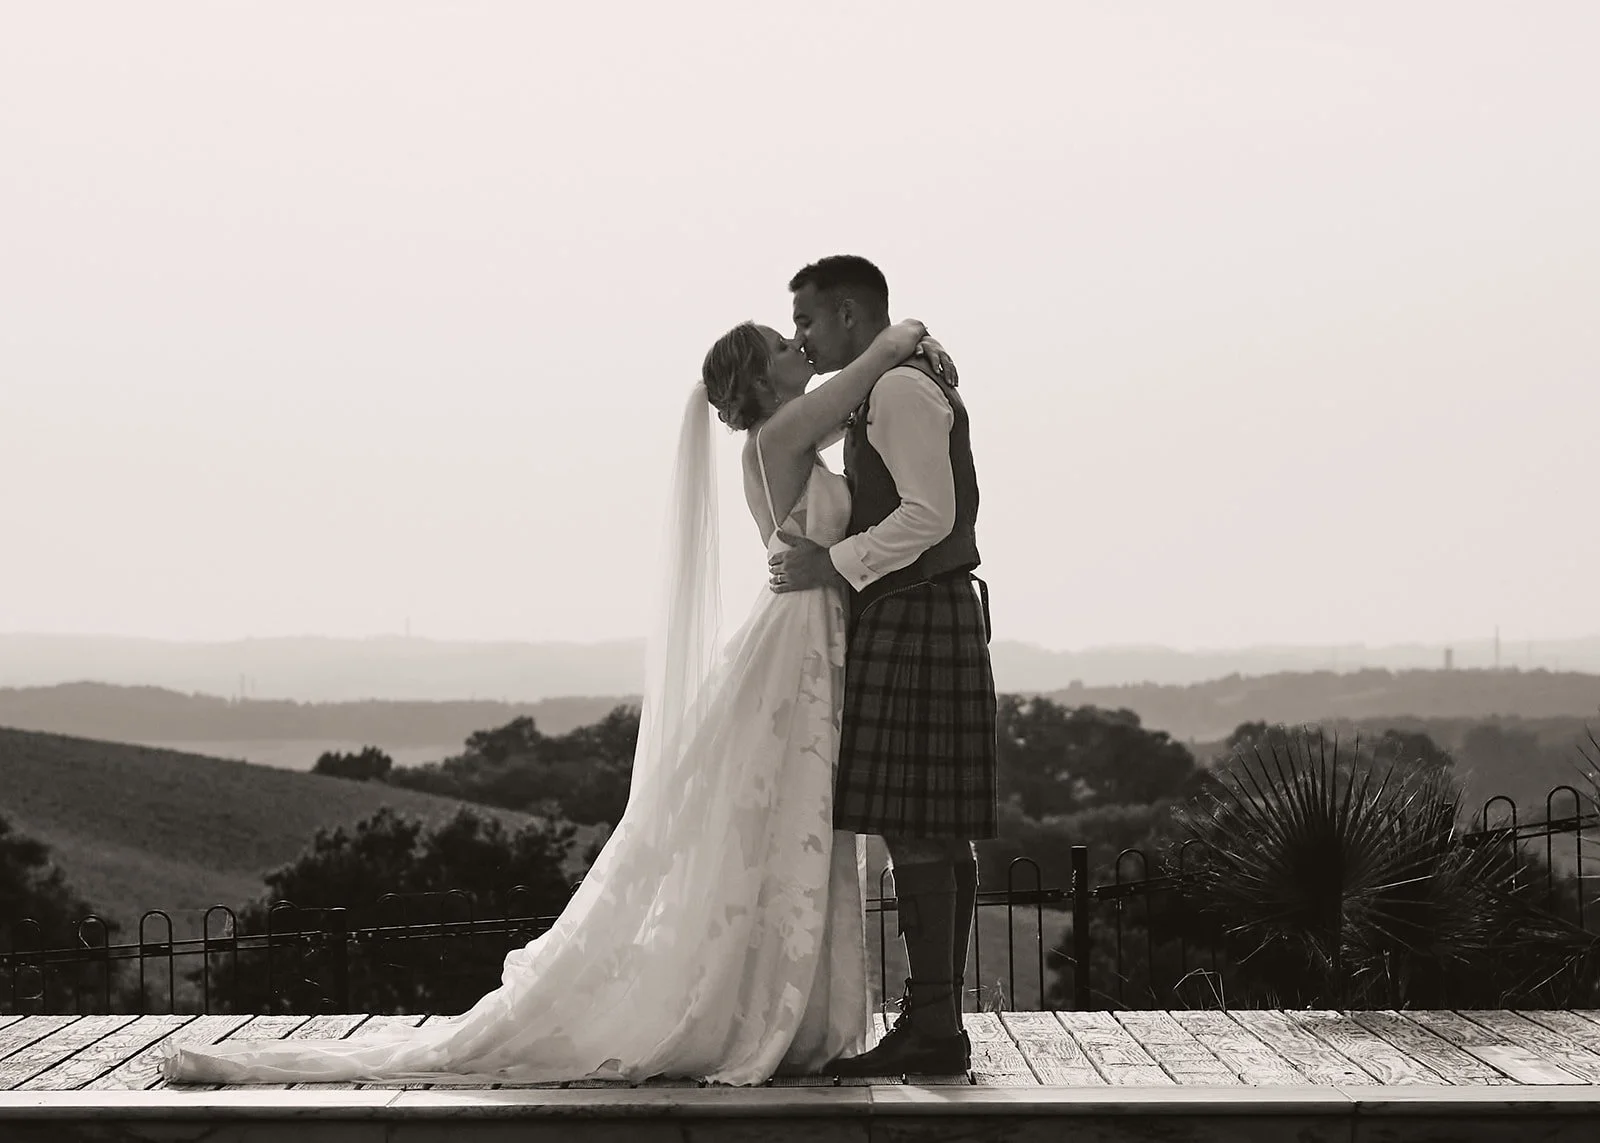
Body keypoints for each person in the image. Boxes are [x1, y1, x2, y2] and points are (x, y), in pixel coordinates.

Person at [158, 312, 951, 1088]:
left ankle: (783, 997)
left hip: (812, 634)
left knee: (792, 819)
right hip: (794, 645)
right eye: (783, 344)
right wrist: (899, 337)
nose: (798, 345)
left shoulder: (788, 437)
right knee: (782, 815)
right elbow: (858, 386)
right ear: (757, 378)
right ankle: (754, 1004)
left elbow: (857, 420)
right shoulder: (778, 439)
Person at [769, 255, 997, 1077]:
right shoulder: (887, 381)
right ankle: (937, 1019)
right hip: (922, 611)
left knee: (918, 827)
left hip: (918, 608)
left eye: (807, 320)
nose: (801, 334)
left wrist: (832, 565)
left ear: (849, 316)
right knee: (930, 825)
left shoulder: (898, 390)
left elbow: (929, 514)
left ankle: (934, 1025)